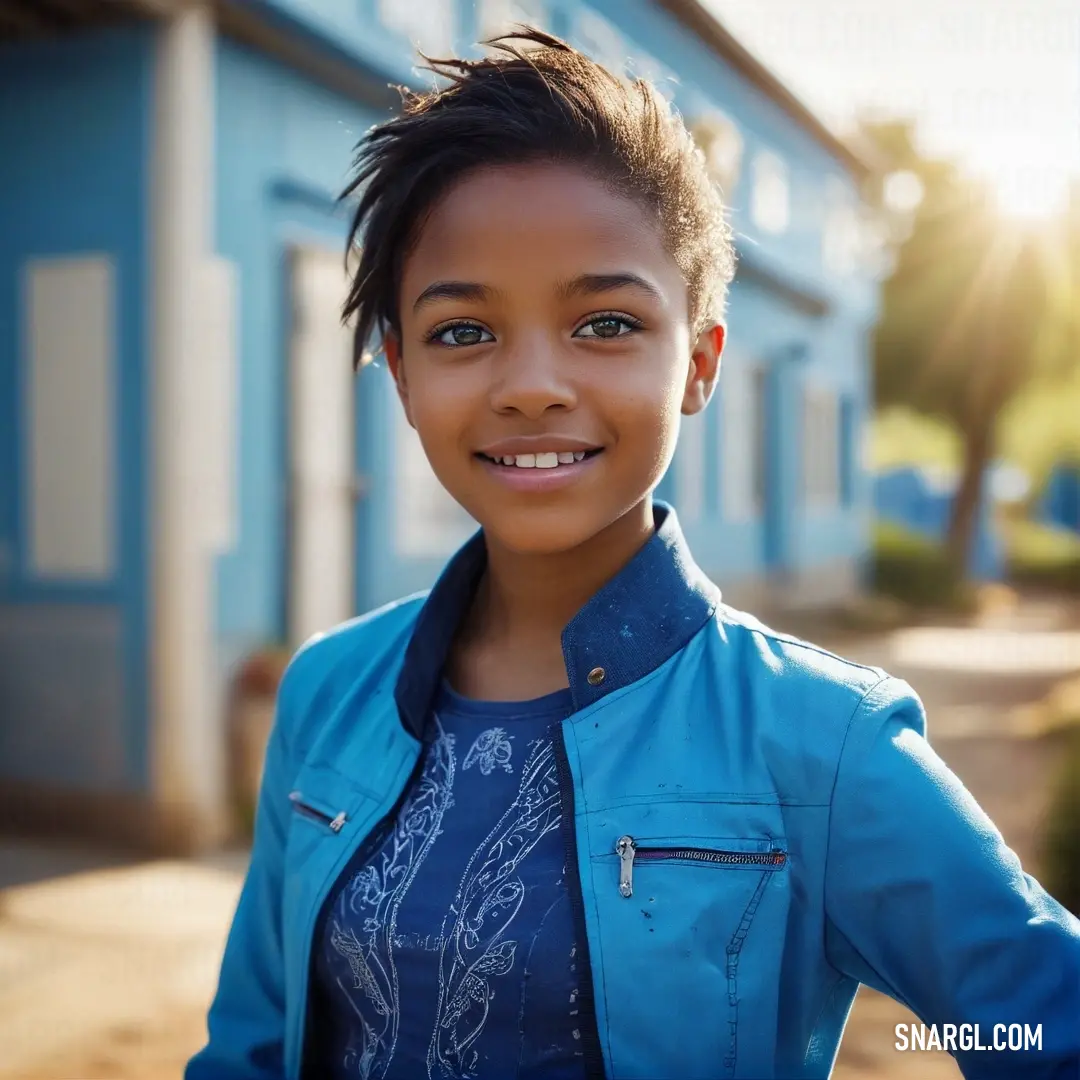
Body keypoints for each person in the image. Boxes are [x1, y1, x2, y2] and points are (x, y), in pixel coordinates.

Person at [186, 28, 1080, 1080]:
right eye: (462, 333)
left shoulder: (819, 744)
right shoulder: (326, 693)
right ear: (400, 374)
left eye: (604, 322)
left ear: (698, 362)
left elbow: (1037, 1027)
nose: (530, 385)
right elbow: (248, 1047)